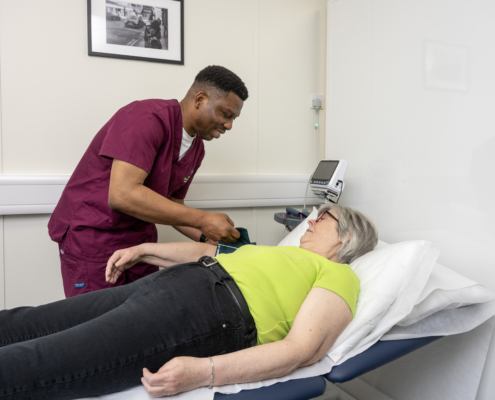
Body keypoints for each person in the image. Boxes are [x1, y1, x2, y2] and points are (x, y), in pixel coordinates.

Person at [1, 204, 378, 399]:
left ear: (346, 237)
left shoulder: (339, 276)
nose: (310, 222)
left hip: (208, 313)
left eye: (322, 217)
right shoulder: (278, 253)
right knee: (27, 322)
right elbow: (208, 250)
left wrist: (204, 372)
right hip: (176, 283)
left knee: (41, 360)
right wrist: (144, 250)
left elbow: (301, 350)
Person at [48, 66, 248, 298]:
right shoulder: (145, 118)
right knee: (98, 326)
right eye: (226, 114)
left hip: (138, 242)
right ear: (200, 100)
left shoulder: (197, 149)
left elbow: (174, 205)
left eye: (233, 118)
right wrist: (204, 220)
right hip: (93, 236)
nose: (229, 125)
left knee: (143, 319)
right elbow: (123, 194)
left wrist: (209, 237)